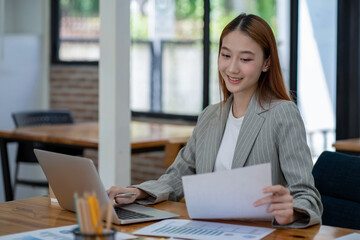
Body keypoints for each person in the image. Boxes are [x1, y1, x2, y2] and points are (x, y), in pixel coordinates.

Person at [107, 13, 323, 228]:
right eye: (226, 55)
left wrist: (292, 211)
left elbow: (306, 195)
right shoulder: (210, 116)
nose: (232, 68)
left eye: (245, 59)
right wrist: (138, 192)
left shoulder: (282, 113)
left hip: (260, 232)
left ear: (266, 63)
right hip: (208, 230)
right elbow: (179, 176)